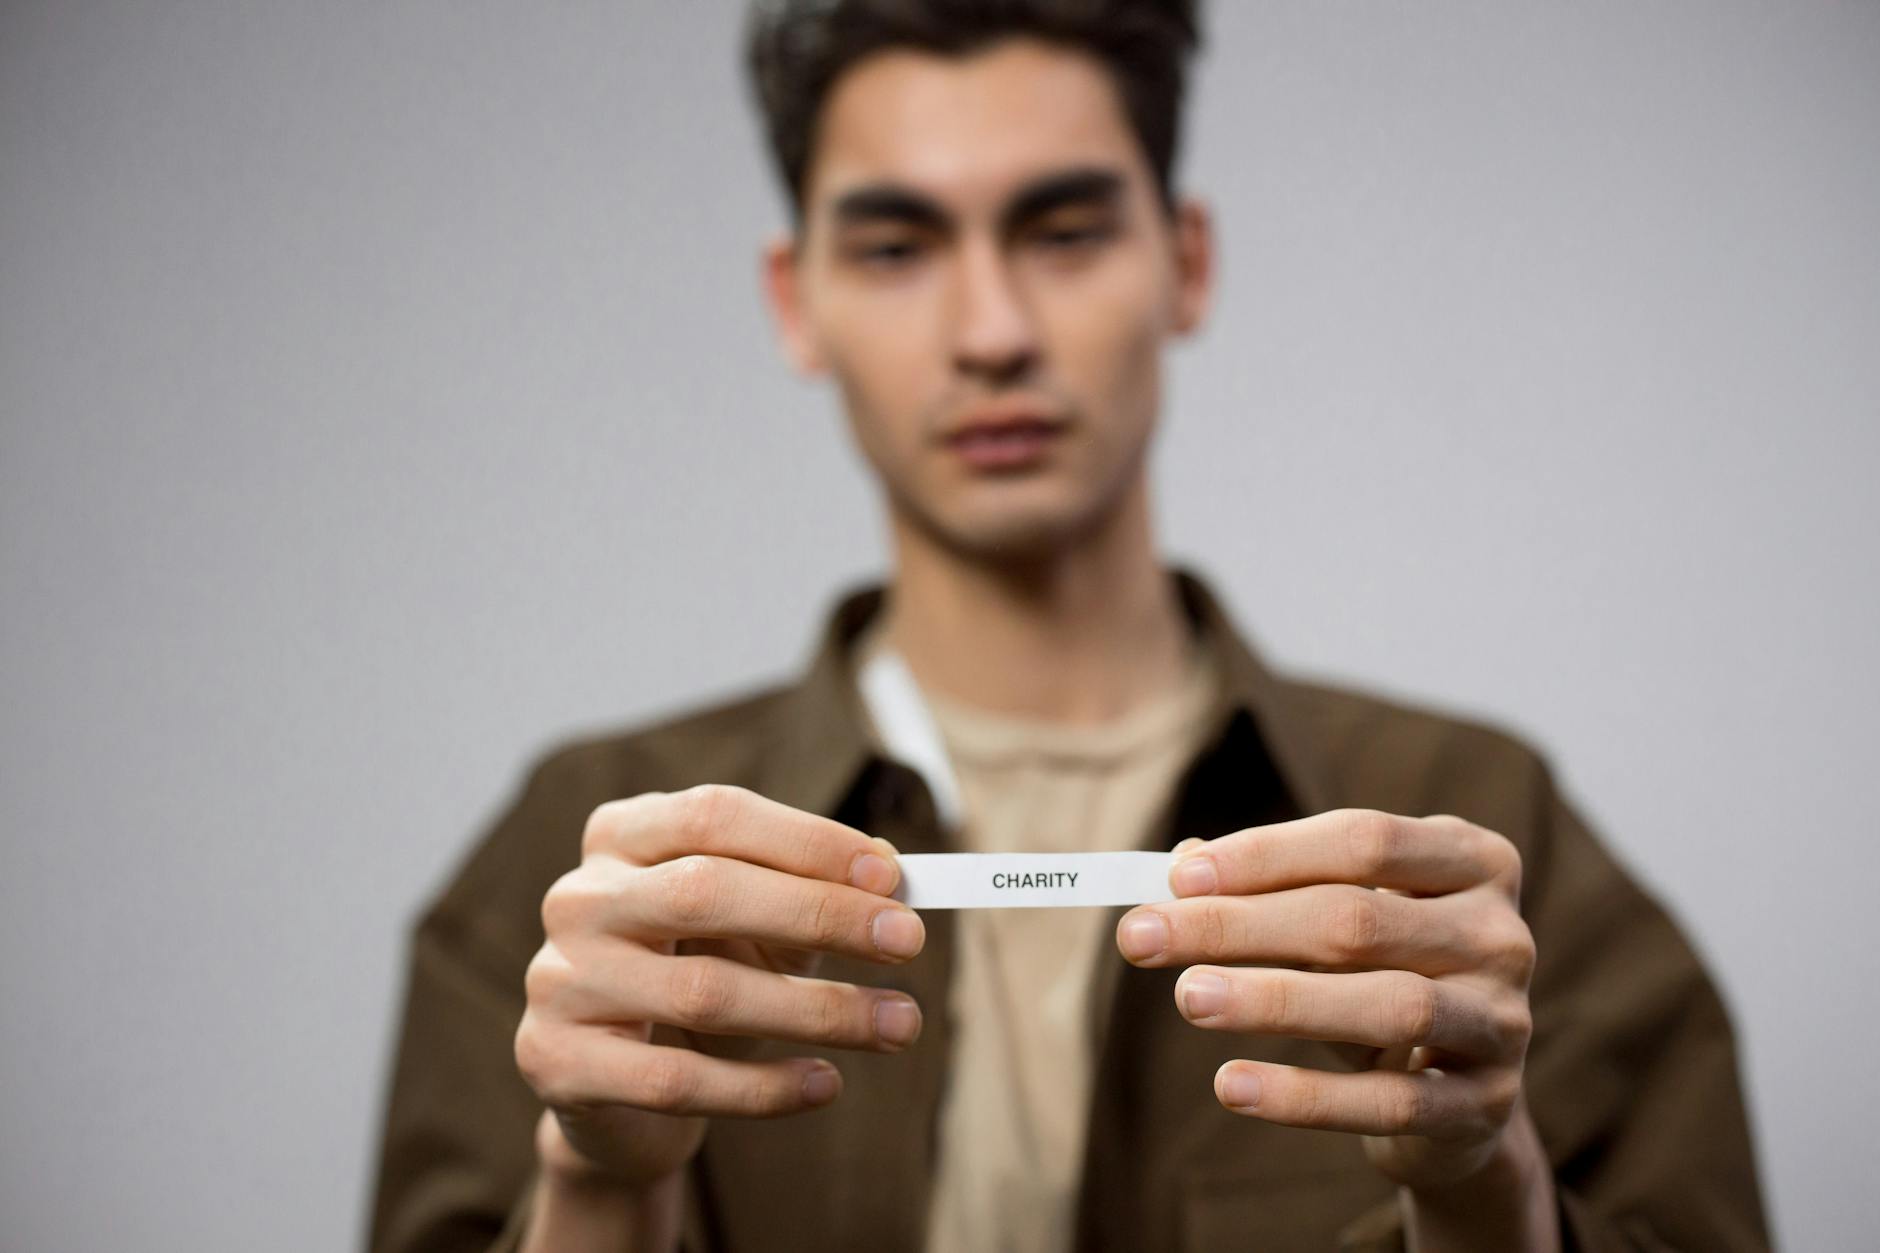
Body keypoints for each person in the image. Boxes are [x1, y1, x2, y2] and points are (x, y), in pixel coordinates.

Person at [367, 2, 1769, 1250]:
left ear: (1188, 262)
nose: (991, 329)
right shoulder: (598, 852)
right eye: (900, 243)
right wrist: (599, 1180)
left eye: (1066, 229)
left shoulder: (1470, 825)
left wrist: (1484, 1190)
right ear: (800, 302)